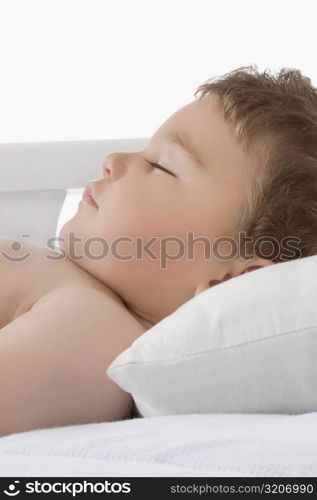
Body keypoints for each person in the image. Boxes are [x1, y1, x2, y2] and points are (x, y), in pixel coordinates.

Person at [1, 64, 317, 437]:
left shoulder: (94, 332)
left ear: (230, 283)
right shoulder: (80, 293)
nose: (112, 159)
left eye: (160, 166)